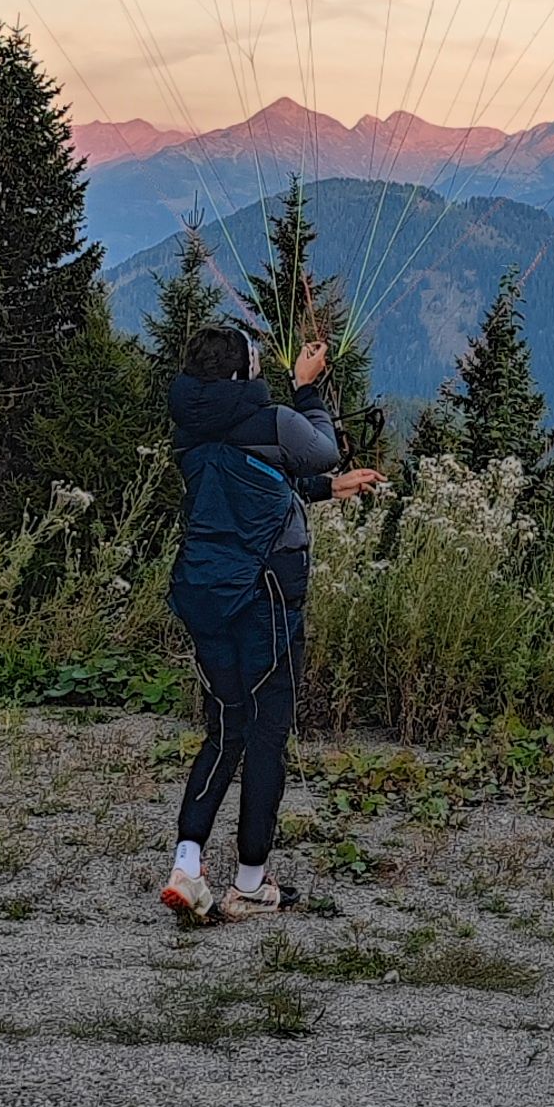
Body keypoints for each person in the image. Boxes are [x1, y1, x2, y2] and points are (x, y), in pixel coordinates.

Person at [159, 323, 383, 923]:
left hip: (206, 591)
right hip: (268, 596)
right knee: (267, 732)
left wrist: (327, 491)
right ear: (244, 372)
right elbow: (321, 445)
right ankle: (251, 882)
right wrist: (307, 389)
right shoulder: (276, 419)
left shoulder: (189, 427)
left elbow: (255, 484)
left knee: (225, 726)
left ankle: (187, 866)